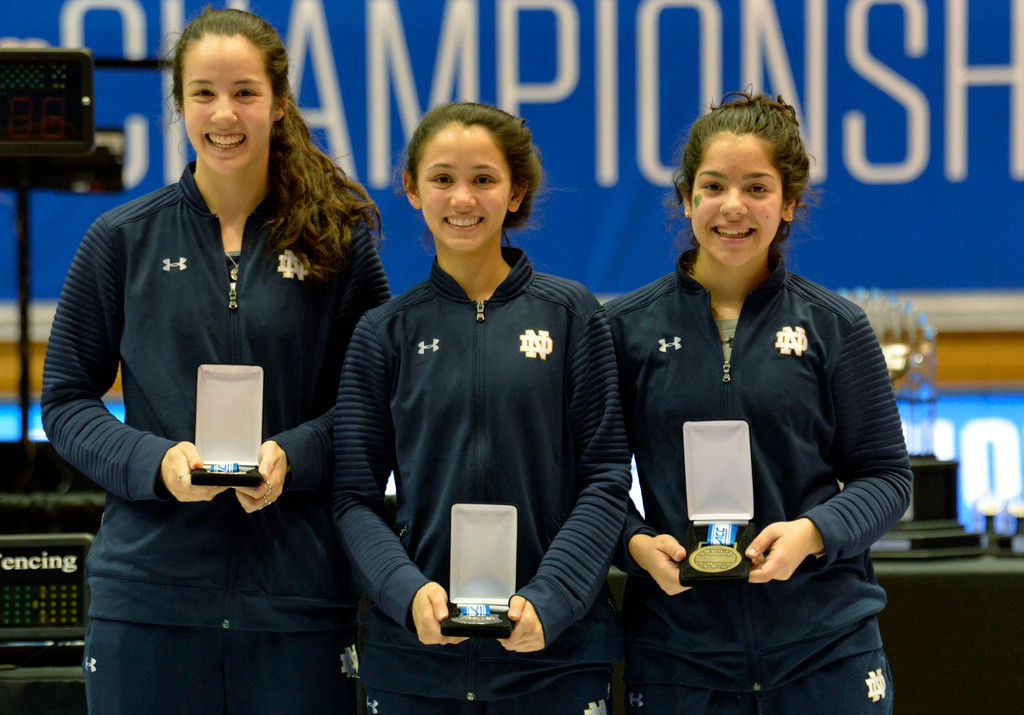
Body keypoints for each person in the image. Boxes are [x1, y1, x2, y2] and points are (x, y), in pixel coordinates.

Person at [40, 8, 390, 714]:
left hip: (295, 602)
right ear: (179, 104)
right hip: (149, 600)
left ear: (280, 103)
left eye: (244, 93)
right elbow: (66, 401)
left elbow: (373, 407)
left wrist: (293, 455)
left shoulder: (337, 244)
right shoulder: (120, 241)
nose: (223, 114)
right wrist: (156, 463)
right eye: (202, 93)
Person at [605, 92, 913, 714]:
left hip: (824, 651)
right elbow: (591, 485)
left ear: (790, 203)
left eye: (758, 187)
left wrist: (814, 533)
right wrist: (634, 544)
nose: (734, 208)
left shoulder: (835, 325)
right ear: (688, 197)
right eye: (714, 186)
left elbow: (887, 478)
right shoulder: (623, 329)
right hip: (678, 657)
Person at [330, 102, 631, 713]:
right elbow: (352, 498)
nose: (462, 199)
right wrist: (406, 592)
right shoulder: (384, 331)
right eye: (442, 179)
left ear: (516, 191)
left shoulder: (572, 316)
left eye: (483, 180)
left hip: (554, 658)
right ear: (412, 189)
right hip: (419, 664)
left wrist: (552, 599)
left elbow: (603, 480)